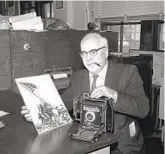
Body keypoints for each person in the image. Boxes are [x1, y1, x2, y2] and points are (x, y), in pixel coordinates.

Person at [21, 32, 149, 154]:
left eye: (93, 52)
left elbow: (143, 109)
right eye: (84, 53)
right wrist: (38, 114)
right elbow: (63, 105)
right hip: (88, 142)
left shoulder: (127, 72)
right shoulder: (78, 77)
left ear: (105, 53)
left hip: (120, 145)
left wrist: (114, 94)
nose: (88, 59)